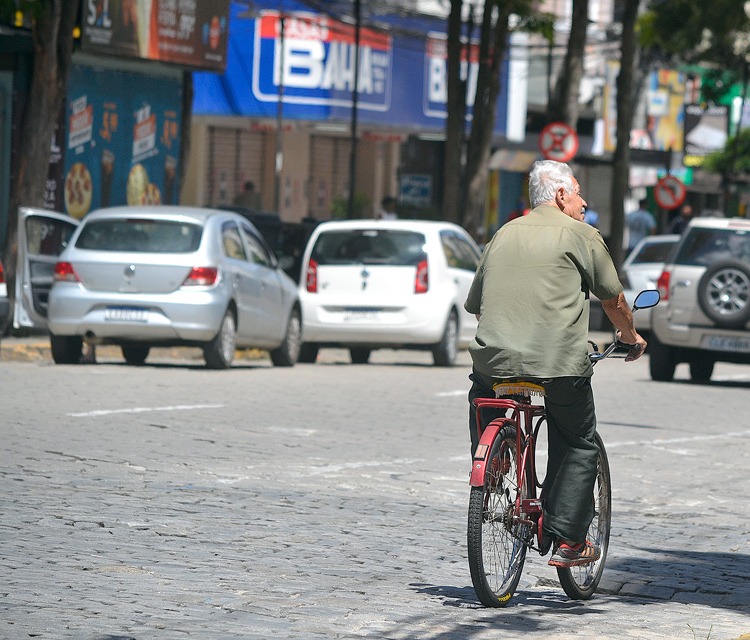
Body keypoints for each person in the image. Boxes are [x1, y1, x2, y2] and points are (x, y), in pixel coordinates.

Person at [464, 160, 647, 568]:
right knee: (578, 439)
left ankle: (495, 463)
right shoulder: (581, 234)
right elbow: (614, 299)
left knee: (481, 394)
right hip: (559, 365)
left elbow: (477, 306)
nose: (584, 203)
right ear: (561, 195)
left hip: (495, 363)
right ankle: (569, 541)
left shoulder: (502, 233)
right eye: (579, 193)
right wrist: (631, 337)